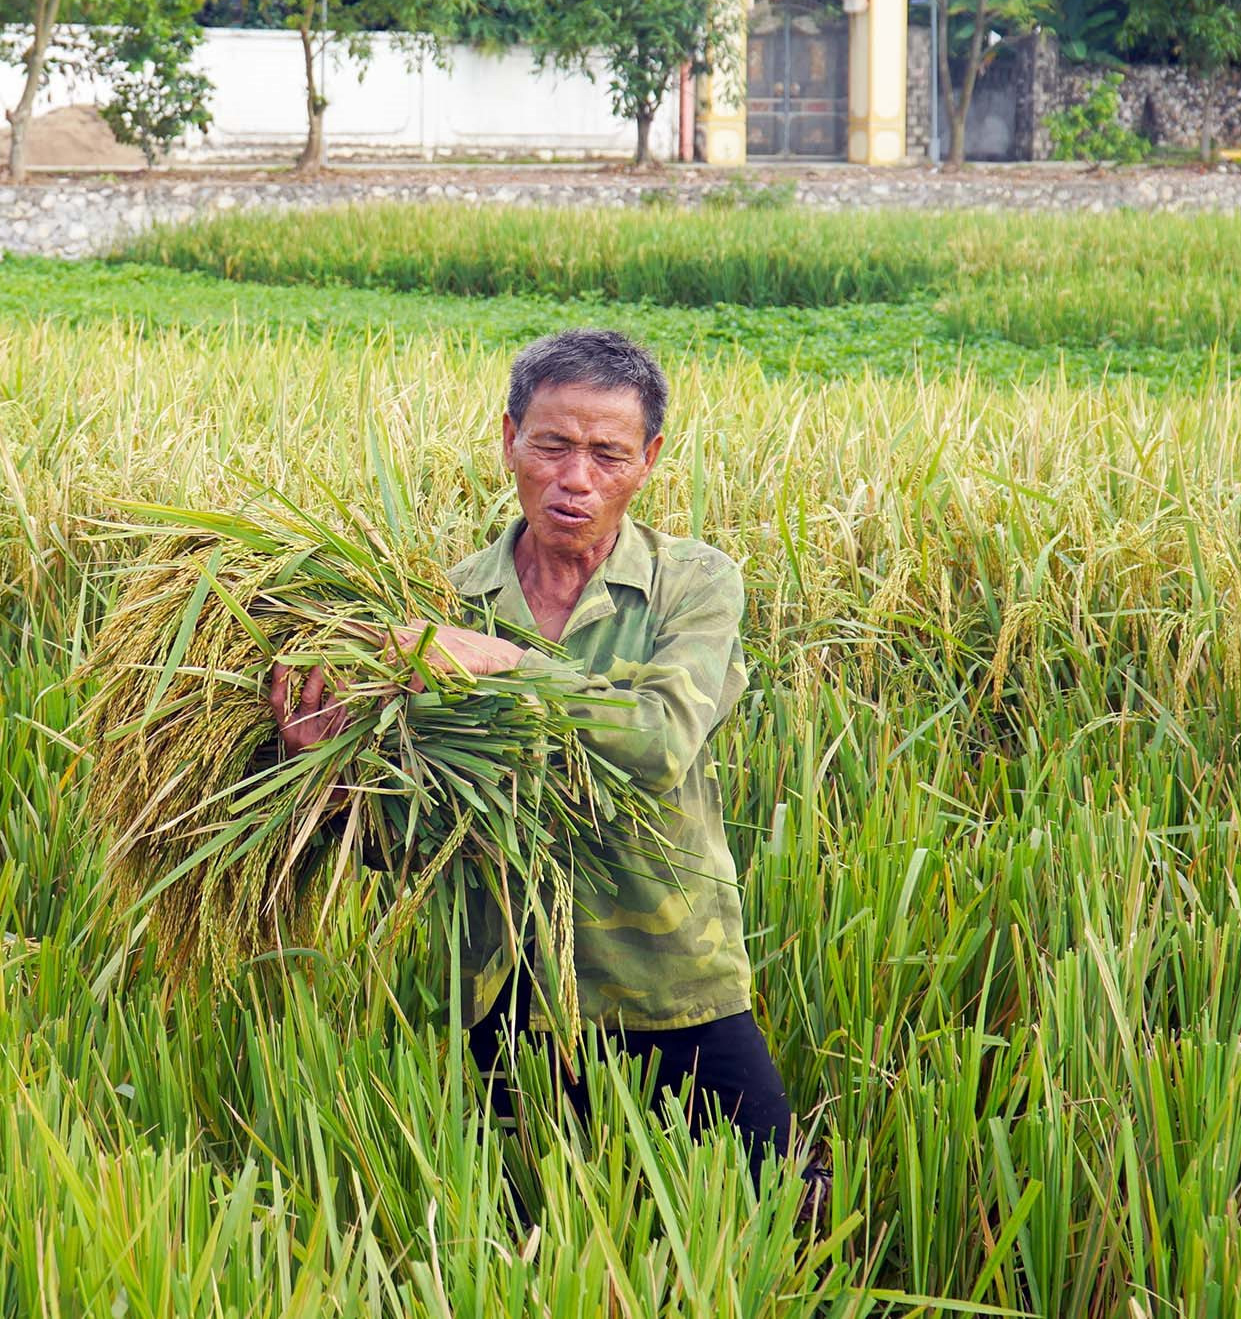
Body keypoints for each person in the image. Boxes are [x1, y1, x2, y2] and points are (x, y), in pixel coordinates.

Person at [269, 328, 828, 1212]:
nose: (577, 478)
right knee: (525, 1236)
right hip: (507, 992)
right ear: (508, 441)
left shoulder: (693, 584)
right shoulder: (443, 605)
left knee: (776, 1217)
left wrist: (509, 664)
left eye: (607, 453)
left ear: (647, 461)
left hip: (670, 977)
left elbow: (659, 739)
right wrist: (327, 780)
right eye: (552, 445)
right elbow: (418, 834)